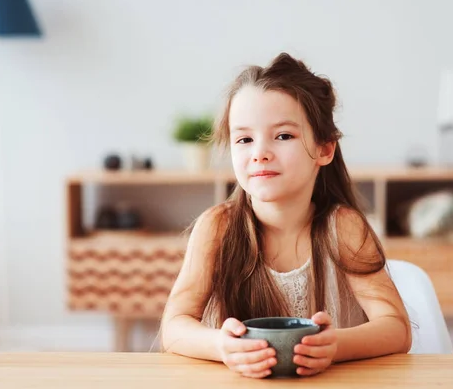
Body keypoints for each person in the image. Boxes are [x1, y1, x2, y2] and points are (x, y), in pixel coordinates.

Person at [159, 52, 411, 378]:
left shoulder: (343, 228)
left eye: (283, 136)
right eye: (244, 139)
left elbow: (396, 329)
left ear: (324, 149)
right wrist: (221, 346)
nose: (260, 153)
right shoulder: (216, 228)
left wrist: (336, 345)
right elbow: (174, 327)